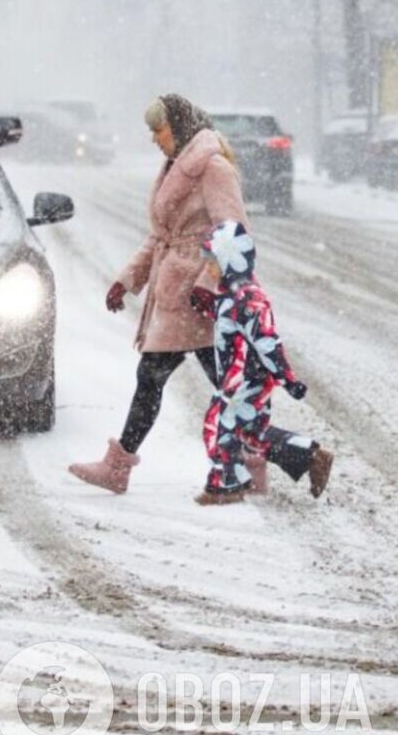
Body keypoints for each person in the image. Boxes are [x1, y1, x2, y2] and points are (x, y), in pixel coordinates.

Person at [68, 94, 265, 493]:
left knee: (154, 378)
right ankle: (283, 458)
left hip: (197, 297)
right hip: (179, 293)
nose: (154, 139)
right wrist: (128, 280)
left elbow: (234, 233)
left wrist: (209, 285)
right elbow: (161, 237)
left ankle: (118, 468)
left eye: (158, 129)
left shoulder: (212, 168)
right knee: (223, 386)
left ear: (177, 126)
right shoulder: (176, 165)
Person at [193, 221, 334, 504]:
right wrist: (210, 307)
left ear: (231, 260)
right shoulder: (232, 294)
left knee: (217, 424)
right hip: (244, 377)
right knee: (249, 434)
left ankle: (226, 485)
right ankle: (310, 456)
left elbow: (267, 341)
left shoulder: (248, 298)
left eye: (212, 261)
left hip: (247, 378)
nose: (207, 269)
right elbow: (232, 325)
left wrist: (288, 379)